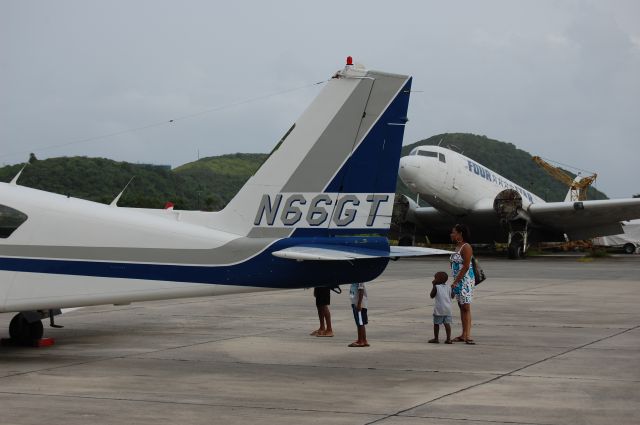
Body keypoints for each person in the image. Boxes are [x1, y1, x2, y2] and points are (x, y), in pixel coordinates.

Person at [450, 223, 476, 344]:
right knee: (461, 307)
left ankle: (468, 335)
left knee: (466, 307)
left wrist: (455, 282)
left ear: (460, 234)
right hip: (458, 280)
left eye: (454, 232)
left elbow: (465, 266)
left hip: (465, 280)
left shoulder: (466, 247)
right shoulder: (457, 247)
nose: (452, 234)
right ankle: (463, 334)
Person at [428, 271, 453, 344]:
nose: (434, 279)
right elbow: (452, 296)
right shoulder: (449, 287)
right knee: (447, 324)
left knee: (436, 324)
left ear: (438, 279)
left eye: (435, 278)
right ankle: (448, 339)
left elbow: (431, 296)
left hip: (439, 310)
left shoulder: (436, 287)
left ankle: (436, 338)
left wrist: (433, 285)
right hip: (448, 309)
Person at [348, 282, 369, 347]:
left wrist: (359, 304)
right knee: (359, 323)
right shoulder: (355, 279)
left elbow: (361, 290)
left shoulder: (360, 280)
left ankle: (361, 341)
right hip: (355, 303)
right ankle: (363, 340)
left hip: (359, 305)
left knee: (360, 323)